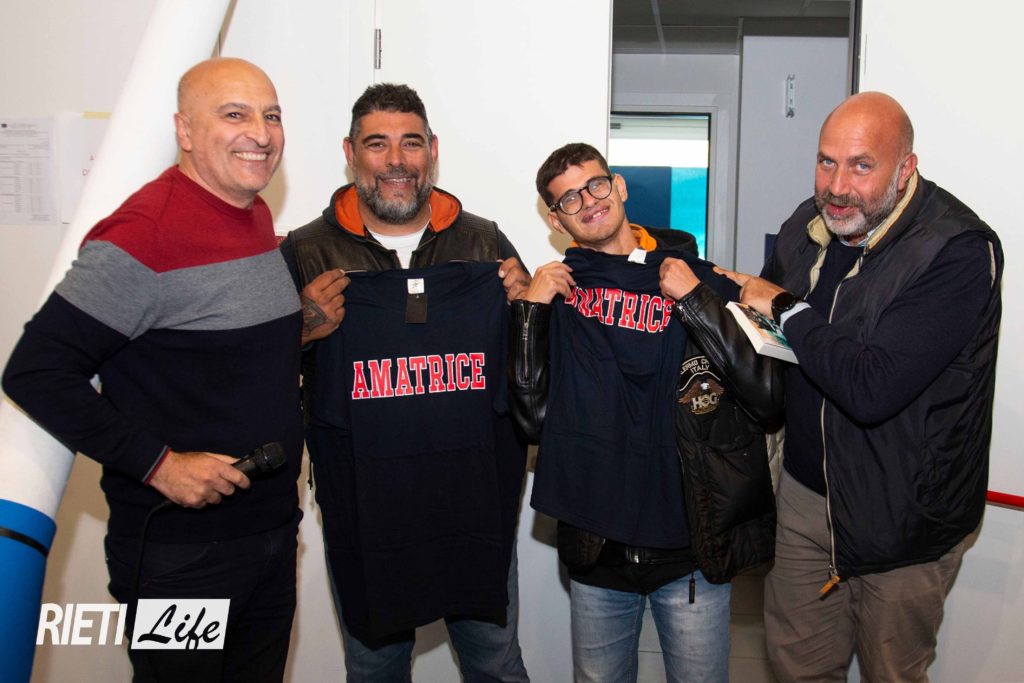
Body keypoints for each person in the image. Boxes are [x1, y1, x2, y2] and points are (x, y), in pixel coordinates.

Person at [1, 58, 326, 681]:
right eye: (234, 114)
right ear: (184, 130)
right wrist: (160, 465)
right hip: (183, 557)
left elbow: (216, 349)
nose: (260, 134)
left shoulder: (252, 213)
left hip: (269, 534)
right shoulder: (143, 235)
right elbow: (36, 373)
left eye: (272, 115)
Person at [717, 92, 1003, 682]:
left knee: (892, 673)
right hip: (804, 498)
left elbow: (871, 387)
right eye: (826, 161)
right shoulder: (809, 222)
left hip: (902, 518)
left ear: (906, 168)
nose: (837, 186)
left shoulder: (956, 250)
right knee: (797, 668)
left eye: (861, 166)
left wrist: (786, 309)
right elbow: (768, 330)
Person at [280, 83, 531, 682]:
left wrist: (527, 313)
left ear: (432, 151)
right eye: (377, 144)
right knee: (375, 669)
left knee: (495, 663)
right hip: (367, 506)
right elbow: (250, 373)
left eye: (411, 143)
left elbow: (532, 369)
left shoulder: (483, 242)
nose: (396, 160)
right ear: (351, 153)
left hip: (472, 499)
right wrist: (298, 330)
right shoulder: (306, 251)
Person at [509, 142, 783, 683]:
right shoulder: (555, 296)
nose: (588, 201)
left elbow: (769, 398)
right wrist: (529, 313)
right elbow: (530, 419)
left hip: (691, 545)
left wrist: (698, 299)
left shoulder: (699, 279)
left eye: (595, 184)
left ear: (619, 185)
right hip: (598, 545)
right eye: (568, 199)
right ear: (556, 221)